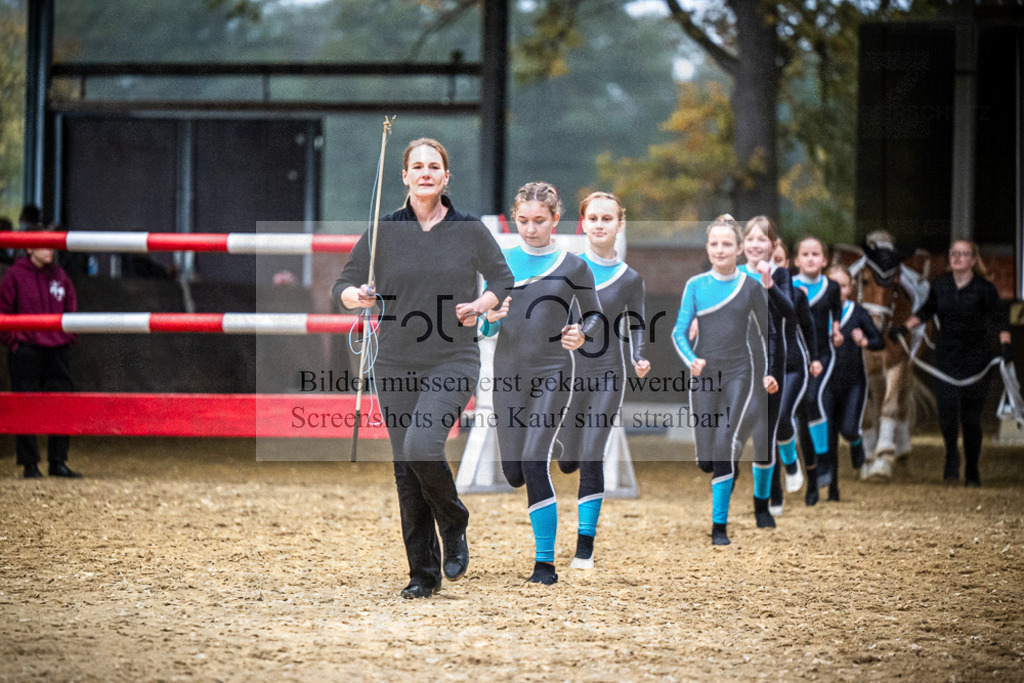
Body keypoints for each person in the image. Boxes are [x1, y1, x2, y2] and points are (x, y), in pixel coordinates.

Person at [332, 137, 513, 599]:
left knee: (421, 443)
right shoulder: (383, 230)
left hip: (453, 356)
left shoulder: (469, 229)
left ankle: (453, 520)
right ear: (406, 176)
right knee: (406, 467)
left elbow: (503, 278)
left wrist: (480, 303)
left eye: (435, 166)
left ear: (446, 177)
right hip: (393, 361)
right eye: (418, 166)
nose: (427, 172)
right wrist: (359, 297)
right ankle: (423, 573)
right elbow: (345, 285)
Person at [480, 181, 601, 584]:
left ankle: (544, 564)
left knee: (534, 461)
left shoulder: (574, 266)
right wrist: (489, 318)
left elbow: (595, 316)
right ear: (515, 218)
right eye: (523, 220)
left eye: (539, 221)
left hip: (552, 372)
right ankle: (549, 447)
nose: (530, 229)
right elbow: (482, 317)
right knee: (514, 472)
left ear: (555, 220)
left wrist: (581, 333)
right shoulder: (501, 262)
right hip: (508, 376)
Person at [671, 214, 779, 546]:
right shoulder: (695, 285)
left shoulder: (750, 287)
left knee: (723, 445)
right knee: (706, 459)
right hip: (704, 374)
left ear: (739, 249)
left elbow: (769, 333)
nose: (721, 250)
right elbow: (677, 332)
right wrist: (692, 360)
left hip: (739, 373)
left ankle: (720, 527)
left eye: (727, 244)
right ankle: (722, 465)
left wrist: (769, 371)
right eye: (715, 244)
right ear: (708, 248)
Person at [556, 192, 649, 570]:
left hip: (608, 374)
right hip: (565, 374)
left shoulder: (630, 278)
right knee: (567, 462)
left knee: (593, 453)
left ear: (619, 224)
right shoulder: (568, 268)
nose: (599, 224)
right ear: (583, 223)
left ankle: (584, 547)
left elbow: (638, 321)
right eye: (592, 218)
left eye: (606, 219)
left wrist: (639, 355)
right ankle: (568, 452)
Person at [894, 240, 1012, 487]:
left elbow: (1000, 319)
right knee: (947, 413)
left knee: (971, 417)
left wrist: (1005, 345)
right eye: (954, 254)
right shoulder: (940, 285)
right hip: (946, 358)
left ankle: (972, 469)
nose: (957, 258)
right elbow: (926, 311)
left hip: (976, 360)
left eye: (963, 254)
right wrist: (903, 329)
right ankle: (951, 458)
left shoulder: (984, 289)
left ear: (972, 259)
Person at [734, 217, 804, 524]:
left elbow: (791, 312)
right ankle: (729, 470)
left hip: (774, 363)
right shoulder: (732, 275)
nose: (755, 245)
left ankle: (762, 507)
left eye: (762, 240)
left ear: (772, 245)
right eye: (751, 239)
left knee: (765, 437)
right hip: (739, 365)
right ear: (742, 245)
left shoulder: (782, 275)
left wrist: (770, 284)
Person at [0, 225, 81, 478]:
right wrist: (15, 341)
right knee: (26, 405)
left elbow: (71, 305)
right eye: (44, 244)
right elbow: (3, 309)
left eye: (52, 244)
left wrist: (67, 337)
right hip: (26, 349)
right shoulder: (14, 275)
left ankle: (58, 461)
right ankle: (30, 464)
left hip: (57, 348)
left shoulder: (60, 275)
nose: (50, 250)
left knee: (62, 403)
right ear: (29, 247)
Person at [822, 264, 885, 500]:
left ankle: (856, 441)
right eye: (833, 285)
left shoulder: (857, 313)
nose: (838, 290)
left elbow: (880, 340)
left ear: (851, 288)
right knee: (828, 436)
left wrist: (865, 341)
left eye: (844, 286)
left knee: (847, 430)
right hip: (825, 383)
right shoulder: (818, 312)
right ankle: (833, 488)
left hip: (853, 383)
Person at [792, 236, 843, 506]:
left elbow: (836, 312)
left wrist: (836, 331)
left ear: (824, 260)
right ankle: (812, 483)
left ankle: (825, 460)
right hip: (797, 357)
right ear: (796, 260)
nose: (811, 258)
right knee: (801, 421)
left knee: (813, 399)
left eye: (816, 254)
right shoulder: (788, 286)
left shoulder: (832, 287)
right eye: (805, 254)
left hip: (823, 356)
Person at [768, 242, 816, 516]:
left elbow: (809, 330)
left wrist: (817, 358)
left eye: (778, 260)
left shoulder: (796, 295)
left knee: (783, 418)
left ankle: (792, 463)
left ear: (786, 264)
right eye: (768, 259)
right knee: (767, 435)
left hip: (793, 366)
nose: (772, 264)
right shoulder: (748, 289)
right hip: (765, 367)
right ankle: (774, 495)